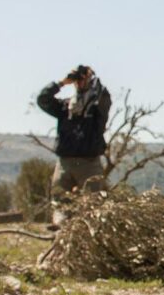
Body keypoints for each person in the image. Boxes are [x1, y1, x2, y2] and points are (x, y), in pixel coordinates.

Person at [37, 65, 112, 221]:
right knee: (60, 206)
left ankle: (92, 242)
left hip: (89, 164)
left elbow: (105, 98)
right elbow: (43, 99)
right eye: (78, 80)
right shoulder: (65, 107)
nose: (80, 82)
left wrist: (92, 80)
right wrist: (62, 83)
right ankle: (60, 238)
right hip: (65, 163)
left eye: (82, 79)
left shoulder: (97, 108)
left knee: (95, 208)